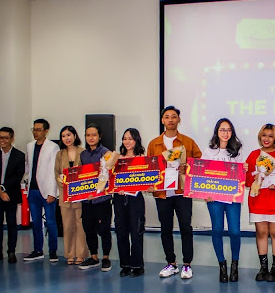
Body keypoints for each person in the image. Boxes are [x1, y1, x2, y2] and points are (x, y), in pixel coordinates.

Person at [147, 106, 202, 279]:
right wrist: (150, 183)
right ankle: (171, 263)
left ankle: (187, 264)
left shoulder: (188, 142)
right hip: (162, 193)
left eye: (173, 116)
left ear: (179, 119)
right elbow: (149, 167)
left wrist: (187, 168)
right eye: (167, 117)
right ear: (162, 120)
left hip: (182, 192)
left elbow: (199, 163)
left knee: (186, 227)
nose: (170, 120)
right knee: (165, 229)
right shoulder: (154, 144)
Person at [245, 123, 275, 282]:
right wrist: (252, 177)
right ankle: (263, 267)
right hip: (259, 200)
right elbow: (246, 179)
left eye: (270, 136)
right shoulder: (254, 155)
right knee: (261, 233)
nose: (266, 139)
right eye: (264, 135)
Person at [203, 118, 245, 283]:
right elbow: (202, 174)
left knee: (235, 231)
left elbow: (241, 175)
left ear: (232, 132)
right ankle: (222, 265)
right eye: (222, 130)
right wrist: (205, 193)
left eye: (228, 130)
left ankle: (235, 264)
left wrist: (245, 169)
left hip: (233, 197)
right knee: (217, 230)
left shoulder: (237, 151)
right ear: (217, 132)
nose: (225, 133)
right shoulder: (209, 151)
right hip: (214, 198)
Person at [0, 127, 25, 264]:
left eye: (5, 138)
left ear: (12, 139)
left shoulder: (19, 155)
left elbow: (17, 176)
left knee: (12, 224)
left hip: (11, 195)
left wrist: (3, 188)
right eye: (0, 137)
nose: (2, 140)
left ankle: (11, 252)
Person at [78, 124, 113, 272]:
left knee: (104, 229)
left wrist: (98, 191)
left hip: (102, 200)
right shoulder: (83, 155)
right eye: (88, 135)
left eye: (94, 135)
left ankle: (106, 258)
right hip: (87, 200)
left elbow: (109, 176)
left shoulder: (107, 153)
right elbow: (81, 176)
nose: (91, 138)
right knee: (88, 228)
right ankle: (93, 257)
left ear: (99, 136)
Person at [24, 118, 60, 263]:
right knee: (36, 222)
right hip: (32, 190)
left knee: (50, 222)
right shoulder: (29, 146)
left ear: (46, 131)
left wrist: (53, 192)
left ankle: (53, 251)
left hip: (47, 191)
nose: (35, 132)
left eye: (38, 130)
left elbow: (54, 171)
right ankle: (38, 250)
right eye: (34, 129)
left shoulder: (53, 147)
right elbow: (28, 166)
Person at [114, 128, 146, 278]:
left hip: (135, 199)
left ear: (136, 140)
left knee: (136, 232)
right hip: (119, 199)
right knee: (121, 232)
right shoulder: (116, 158)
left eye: (130, 139)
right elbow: (110, 179)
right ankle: (125, 265)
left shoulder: (142, 159)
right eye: (124, 138)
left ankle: (137, 266)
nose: (127, 141)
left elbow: (146, 180)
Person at [54, 125, 88, 266]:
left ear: (74, 136)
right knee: (68, 226)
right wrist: (63, 183)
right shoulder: (60, 154)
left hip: (80, 194)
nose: (66, 138)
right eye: (63, 136)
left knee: (80, 226)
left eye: (69, 135)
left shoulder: (83, 152)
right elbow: (56, 173)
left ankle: (81, 254)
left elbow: (88, 172)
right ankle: (69, 254)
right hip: (65, 195)